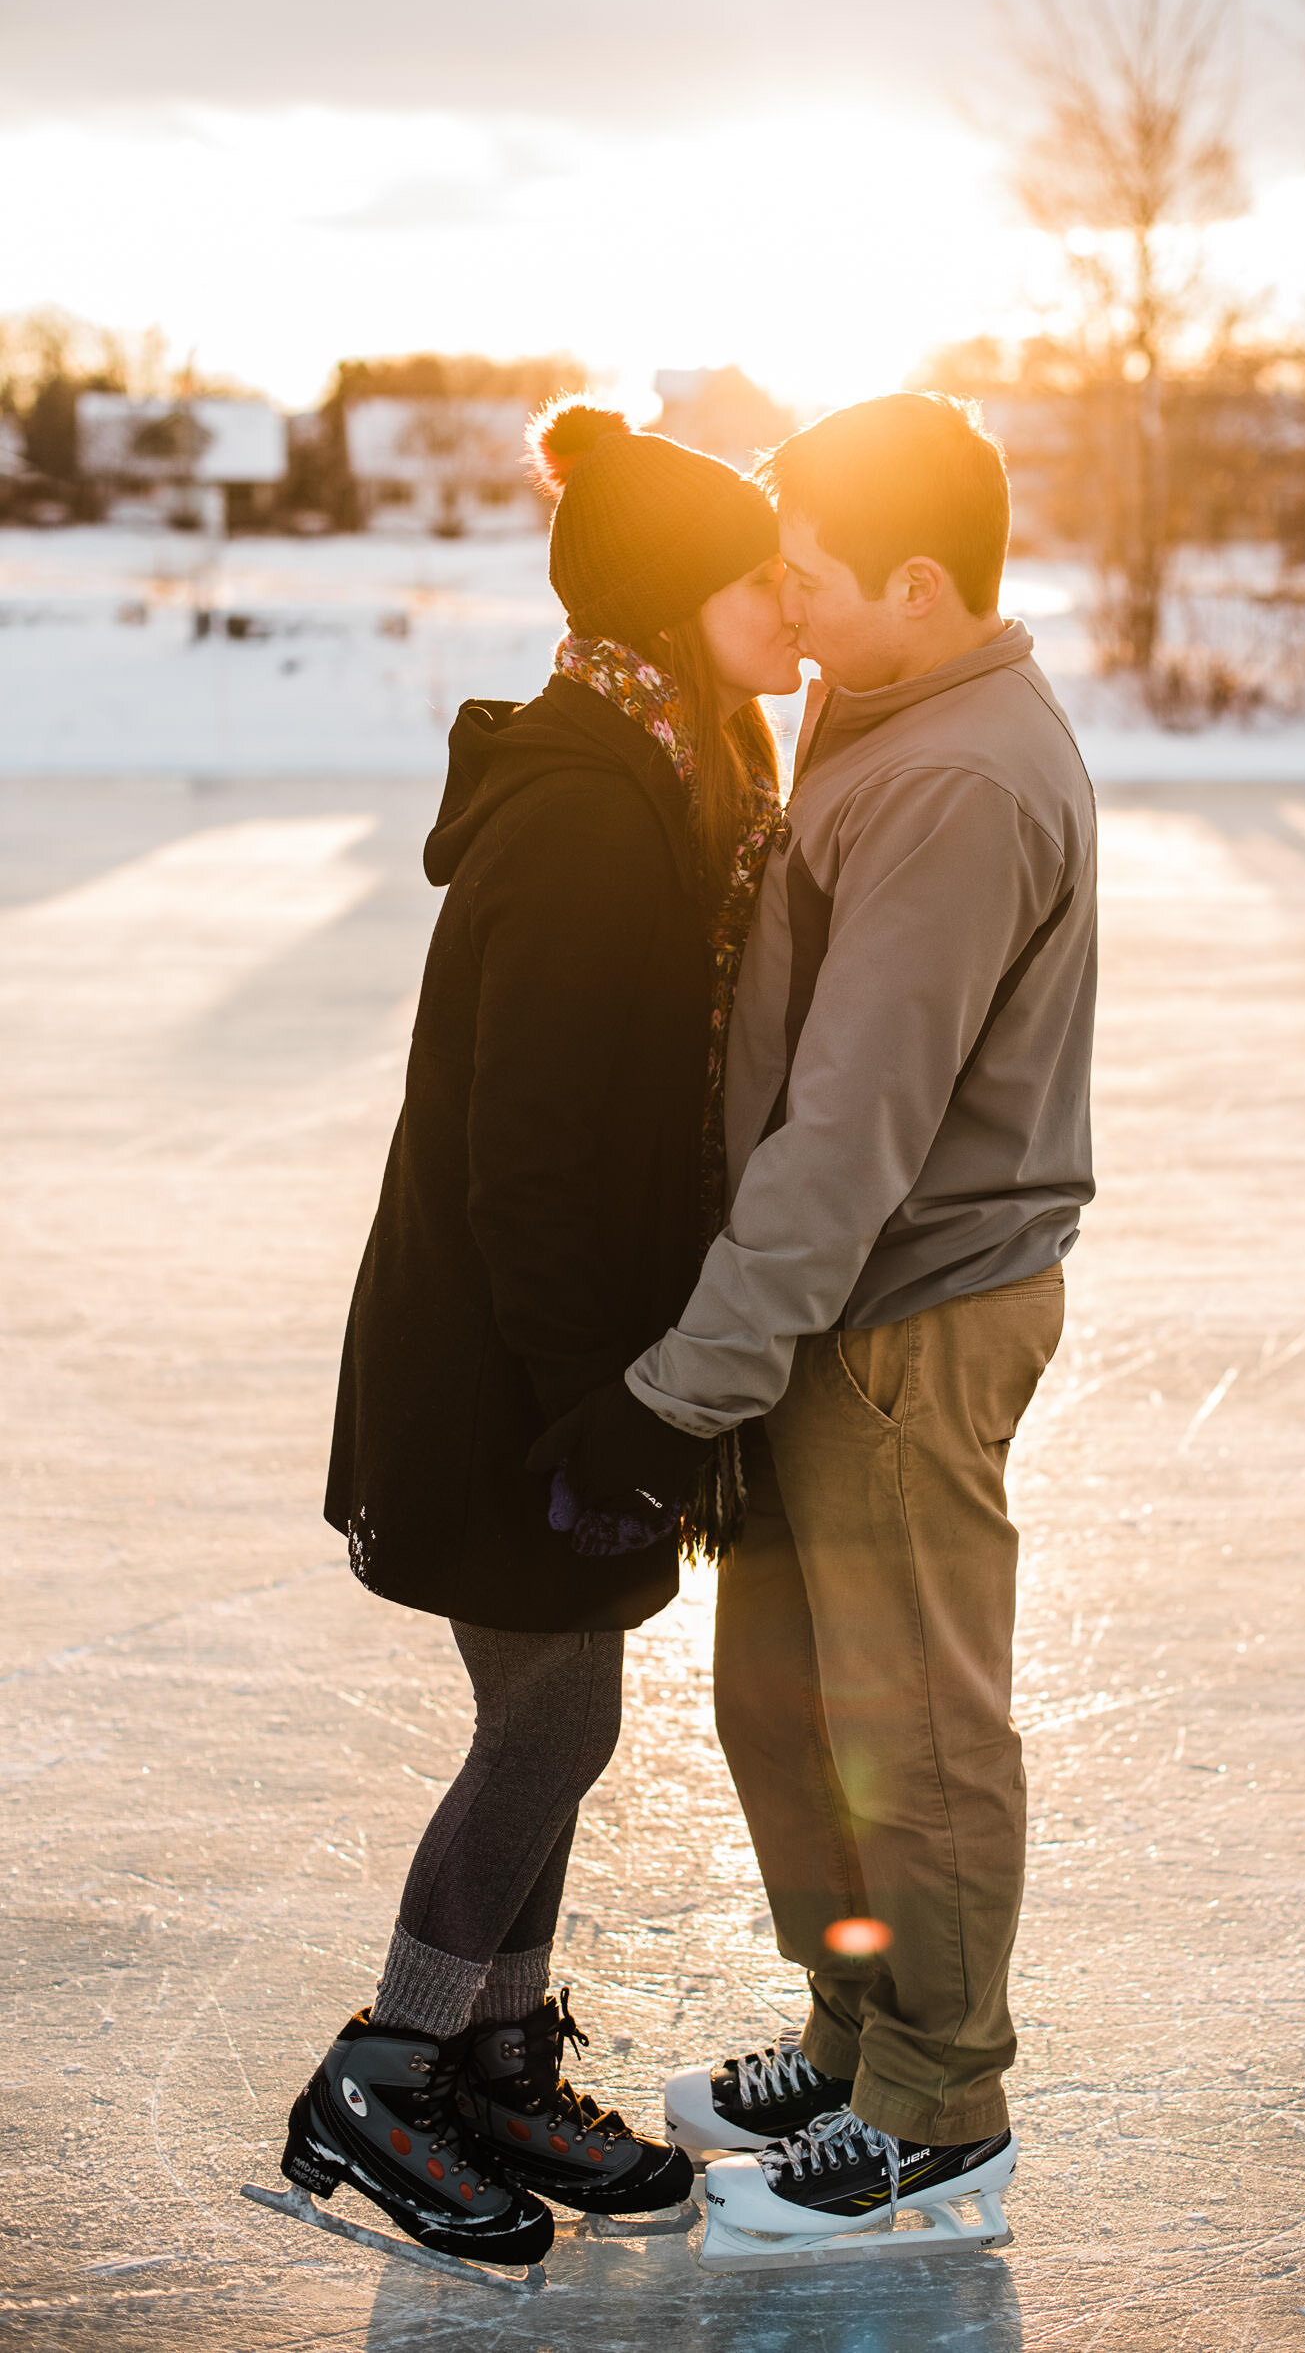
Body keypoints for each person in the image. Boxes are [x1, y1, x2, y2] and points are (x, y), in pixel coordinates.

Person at [550, 391, 1098, 2251]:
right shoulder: (879, 713)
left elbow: (853, 1130)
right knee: (787, 1703)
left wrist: (682, 1379)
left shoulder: (952, 780)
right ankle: (860, 2026)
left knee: (910, 1722)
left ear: (919, 584)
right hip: (820, 1314)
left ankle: (940, 2104)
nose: (777, 604)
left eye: (805, 573)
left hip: (902, 1316)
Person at [268, 403, 802, 2270]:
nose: (798, 619)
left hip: (549, 1359)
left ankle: (494, 2048)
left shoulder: (666, 770)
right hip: (509, 1368)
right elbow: (534, 1162)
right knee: (558, 1714)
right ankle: (391, 2066)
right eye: (763, 586)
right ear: (676, 603)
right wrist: (604, 1405)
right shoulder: (591, 816)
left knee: (552, 1710)